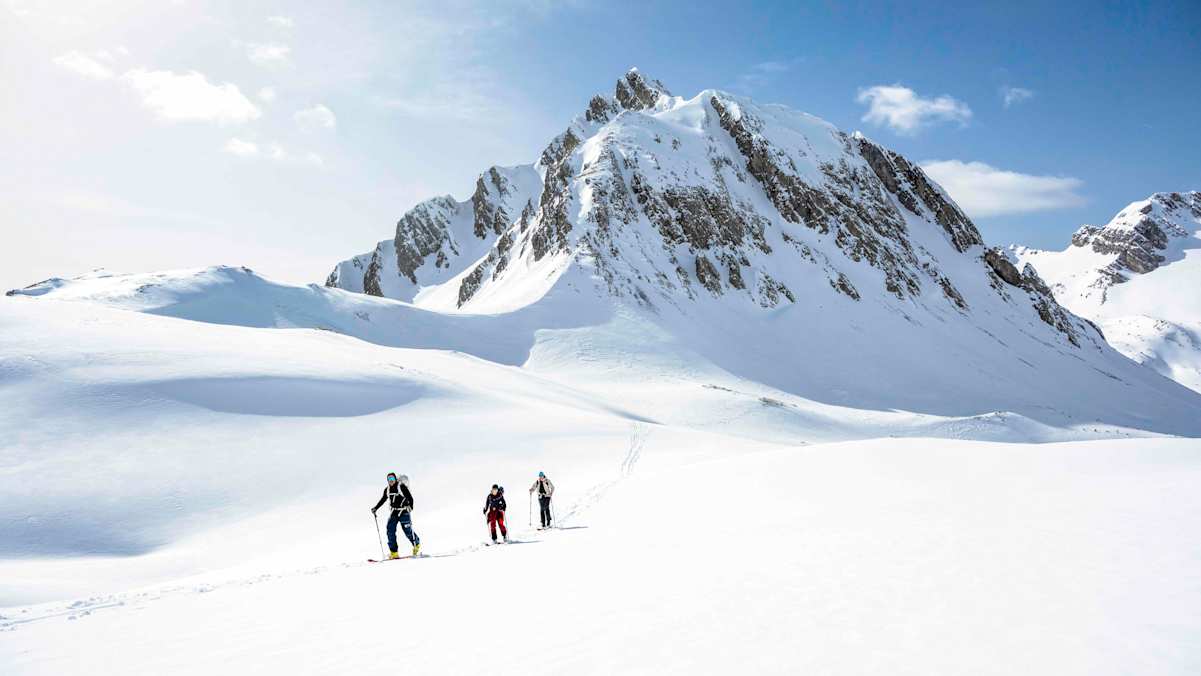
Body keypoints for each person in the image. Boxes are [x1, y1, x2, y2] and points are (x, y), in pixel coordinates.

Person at [372, 472, 421, 558]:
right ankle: (394, 552)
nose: (391, 480)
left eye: (392, 478)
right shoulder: (387, 489)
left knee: (407, 530)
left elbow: (410, 497)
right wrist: (376, 508)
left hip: (404, 511)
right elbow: (383, 499)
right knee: (390, 530)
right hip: (394, 512)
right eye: (389, 479)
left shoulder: (401, 487)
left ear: (395, 479)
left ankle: (416, 544)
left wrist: (411, 506)